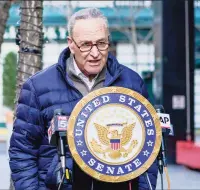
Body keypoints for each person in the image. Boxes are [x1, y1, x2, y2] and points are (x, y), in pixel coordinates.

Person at [9, 7, 158, 190]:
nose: (95, 53)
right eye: (86, 45)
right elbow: (22, 152)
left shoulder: (132, 84)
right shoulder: (38, 87)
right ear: (71, 44)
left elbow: (148, 149)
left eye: (101, 43)